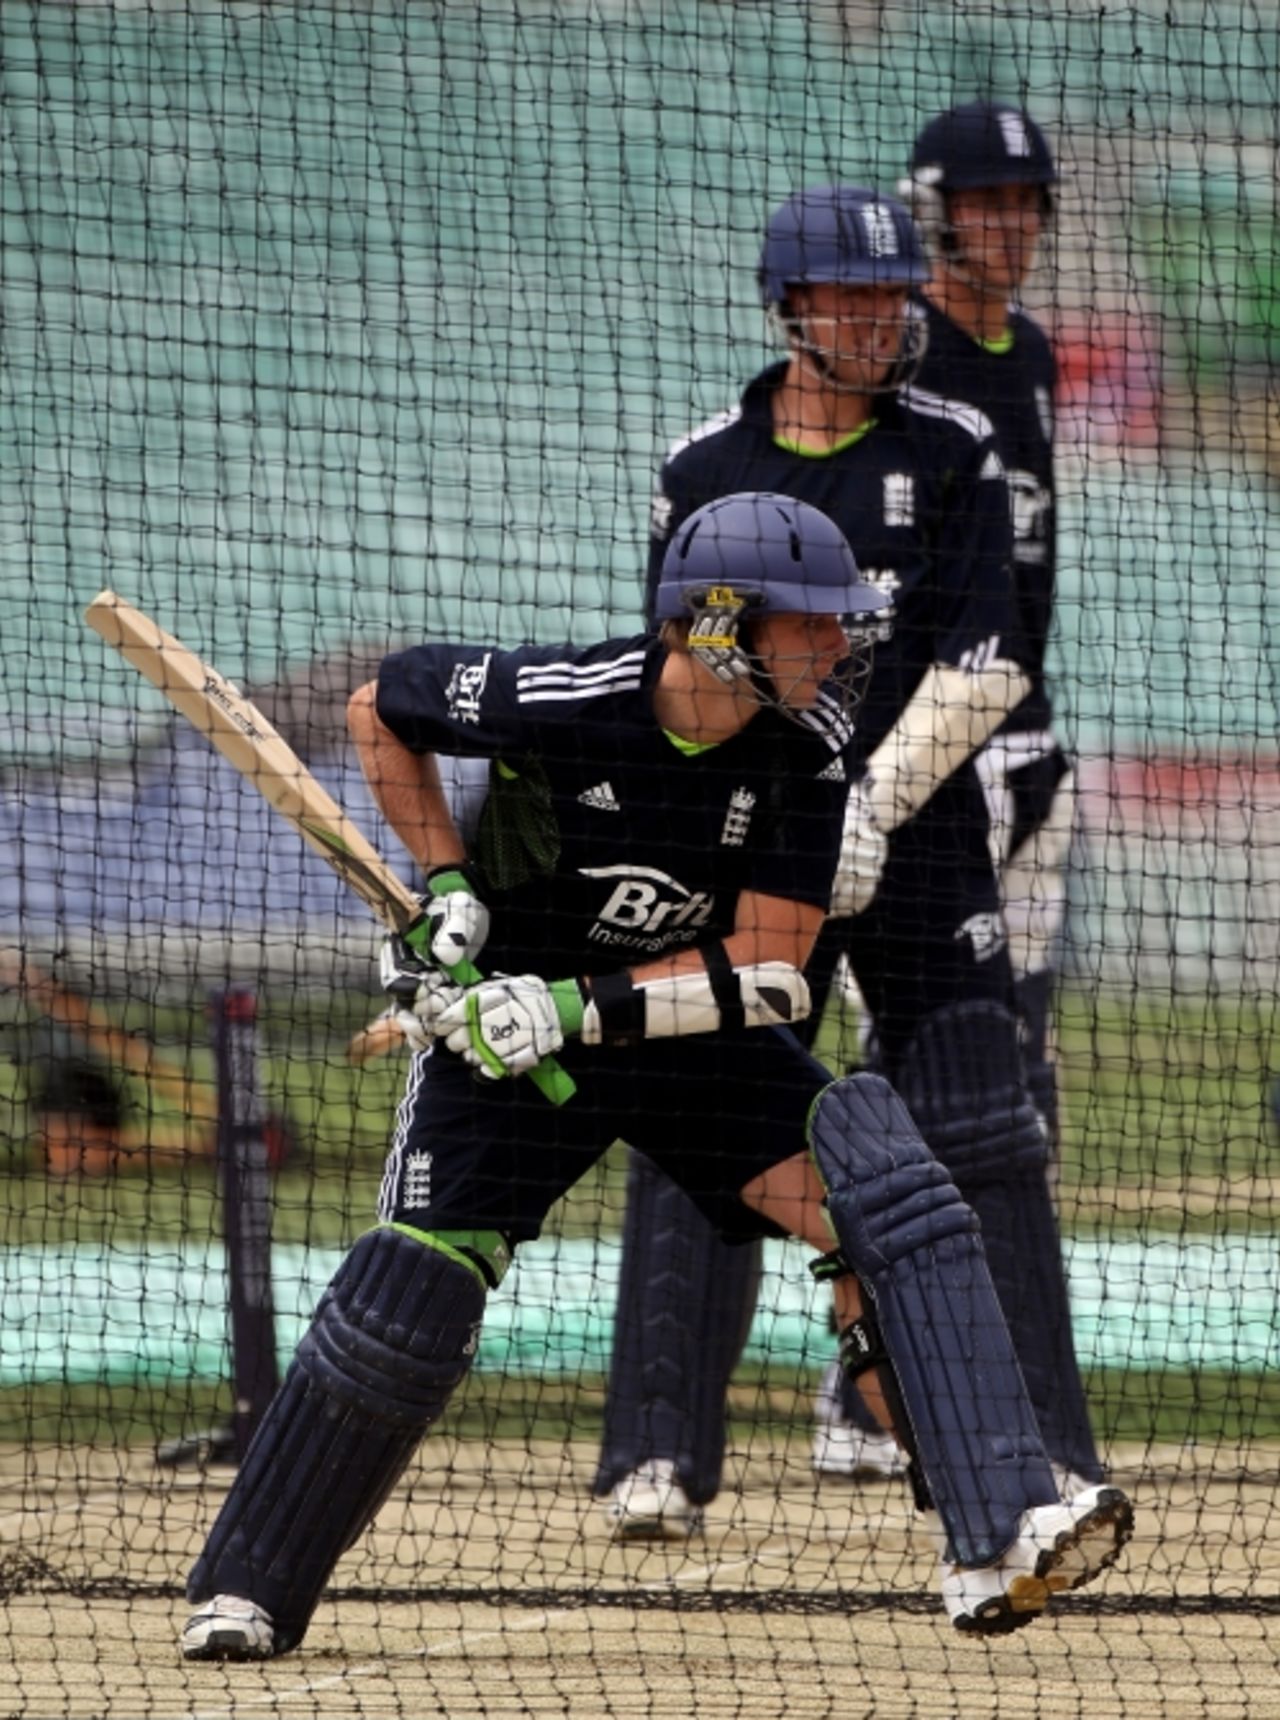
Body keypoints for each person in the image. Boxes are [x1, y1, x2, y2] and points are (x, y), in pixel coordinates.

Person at [178, 492, 1132, 1659]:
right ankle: (246, 1589)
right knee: (413, 1295)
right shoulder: (562, 700)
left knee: (889, 1197)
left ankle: (1001, 1531)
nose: (836, 648)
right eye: (811, 626)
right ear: (719, 625)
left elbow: (772, 971)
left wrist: (572, 1005)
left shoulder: (804, 753)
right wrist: (444, 888)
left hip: (684, 1040)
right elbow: (382, 708)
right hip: (501, 1055)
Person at [594, 181, 1103, 1543]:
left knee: (989, 1136)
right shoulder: (706, 467)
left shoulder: (954, 451)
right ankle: (654, 1457)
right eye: (856, 297)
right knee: (703, 1124)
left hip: (920, 840)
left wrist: (872, 807)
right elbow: (682, 674)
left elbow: (993, 659)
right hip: (754, 842)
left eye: (894, 294)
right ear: (793, 308)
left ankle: (1048, 1453)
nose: (885, 318)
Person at [810, 102, 1080, 1477]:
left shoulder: (1027, 352)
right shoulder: (899, 355)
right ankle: (869, 1379)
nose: (1013, 226)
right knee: (894, 1079)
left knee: (1007, 1080)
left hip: (1019, 742)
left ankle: (991, 1392)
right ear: (933, 209)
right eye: (988, 202)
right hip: (906, 768)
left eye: (1029, 203)